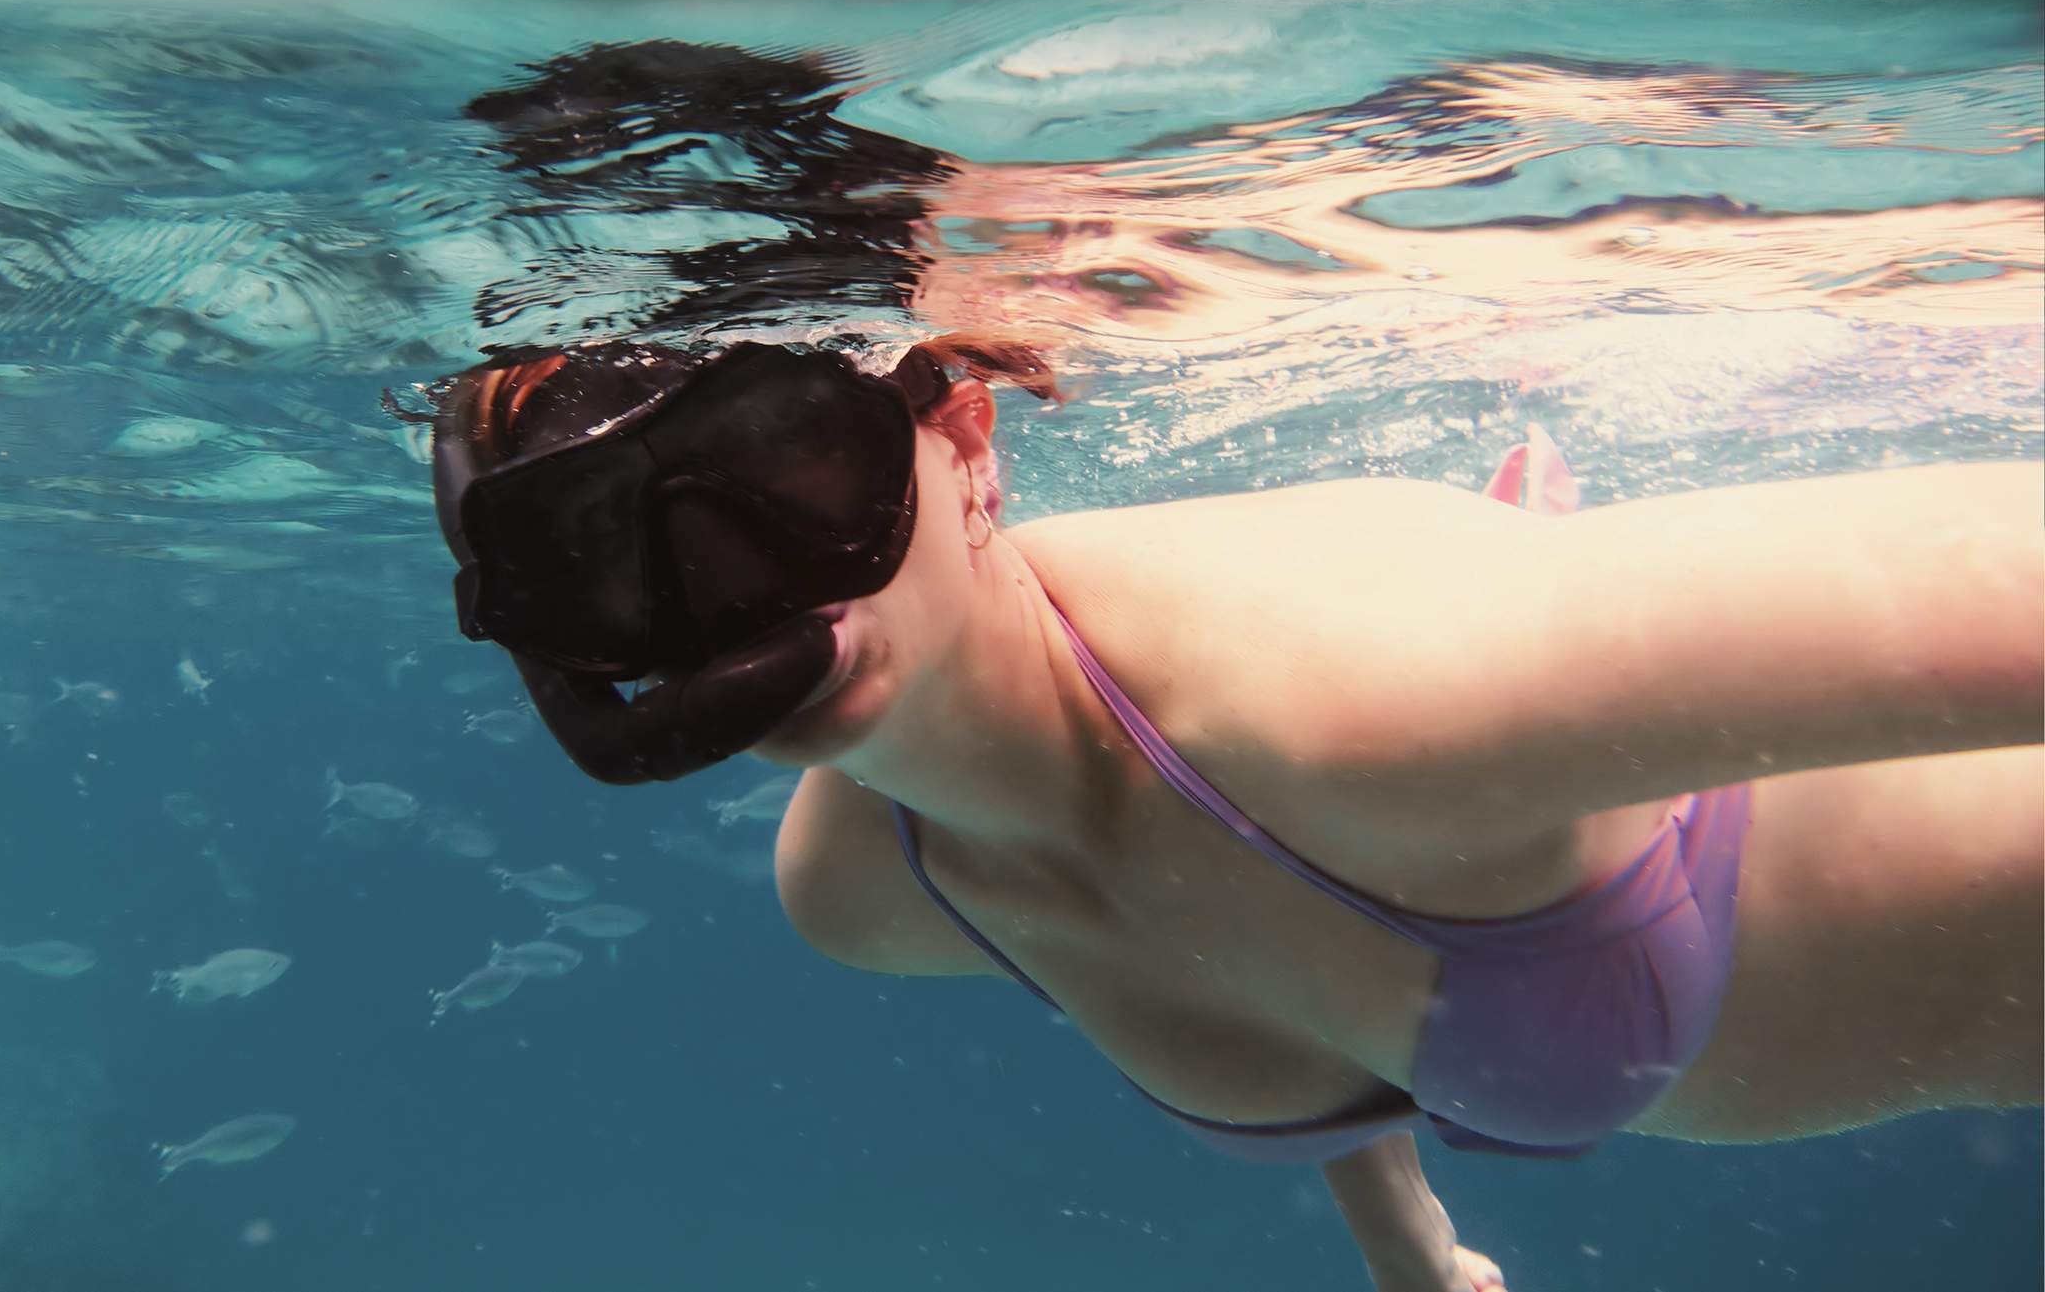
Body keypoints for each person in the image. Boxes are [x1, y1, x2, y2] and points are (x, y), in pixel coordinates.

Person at [403, 337, 2042, 1292]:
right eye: (611, 567)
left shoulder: (1382, 687)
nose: (727, 594)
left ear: (967, 436)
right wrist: (1413, 1252)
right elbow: (1266, 964)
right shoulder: (865, 880)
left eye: (785, 469)